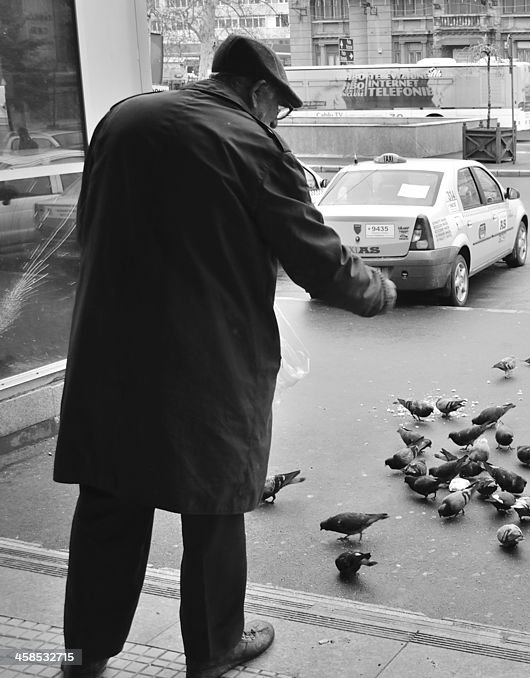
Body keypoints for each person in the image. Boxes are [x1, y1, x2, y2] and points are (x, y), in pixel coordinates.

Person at [54, 34, 397, 678]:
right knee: (212, 507)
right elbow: (316, 260)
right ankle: (213, 650)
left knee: (109, 504)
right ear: (260, 91)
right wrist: (376, 290)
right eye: (279, 106)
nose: (277, 119)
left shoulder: (124, 117)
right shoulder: (250, 141)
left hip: (109, 352)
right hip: (205, 360)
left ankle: (82, 656)